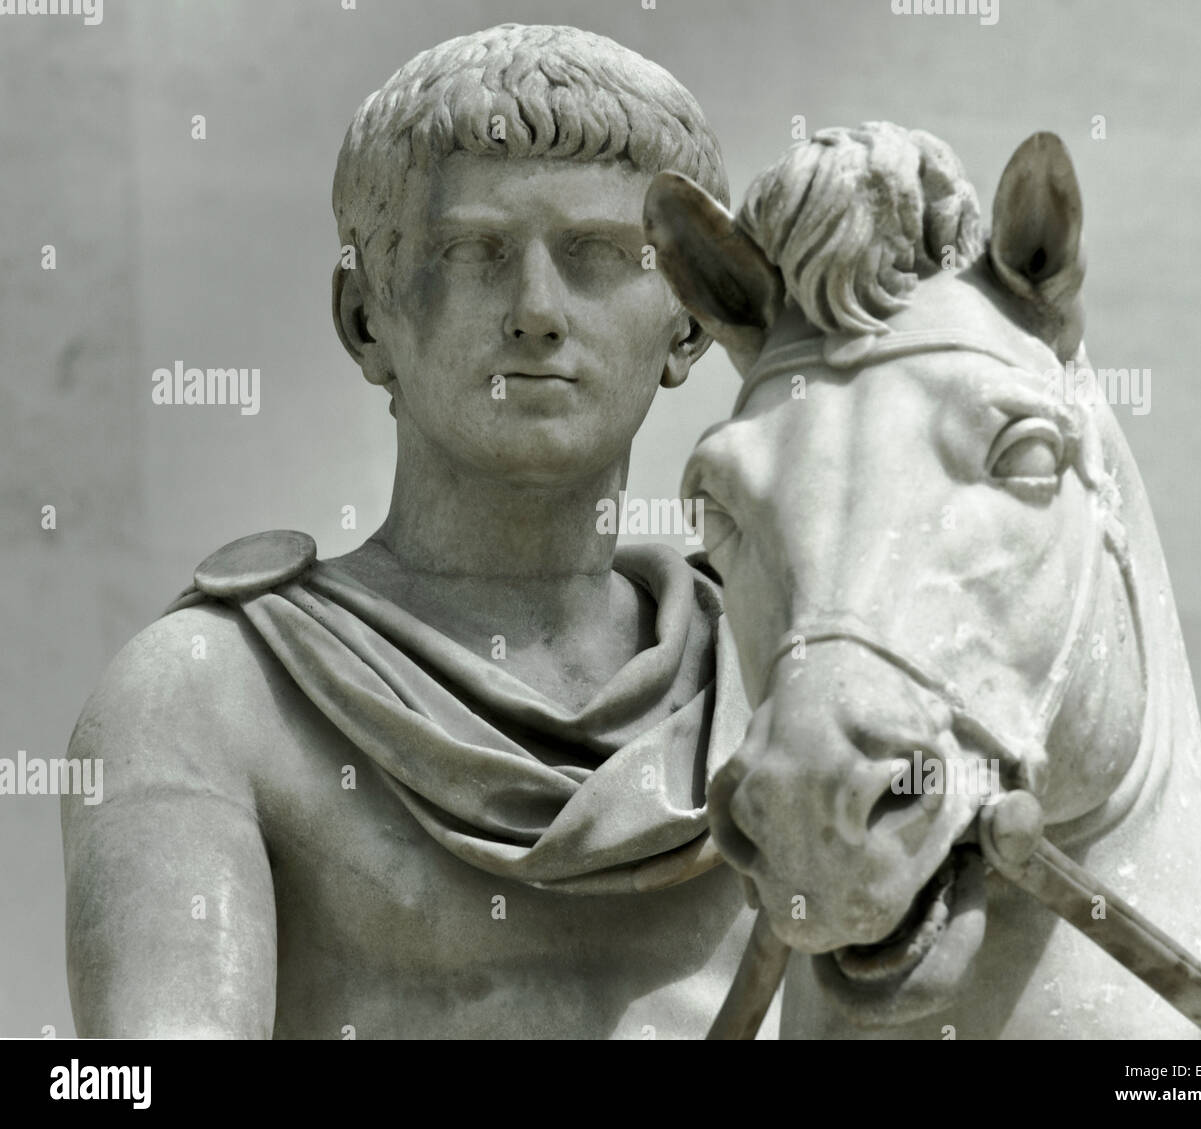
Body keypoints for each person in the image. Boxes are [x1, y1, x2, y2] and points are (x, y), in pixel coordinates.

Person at [61, 23, 766, 1039]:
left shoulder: (779, 682)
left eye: (597, 255)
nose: (536, 310)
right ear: (364, 317)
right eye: (475, 252)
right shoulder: (209, 698)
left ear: (690, 322)